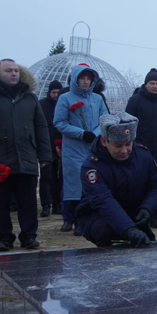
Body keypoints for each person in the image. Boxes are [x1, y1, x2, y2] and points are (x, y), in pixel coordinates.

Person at [0, 59, 52, 251]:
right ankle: (5, 237)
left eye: (16, 71)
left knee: (28, 202)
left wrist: (45, 154)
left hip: (26, 159)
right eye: (8, 71)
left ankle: (29, 236)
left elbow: (40, 126)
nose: (14, 74)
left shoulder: (29, 98)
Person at [75, 113, 157, 247]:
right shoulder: (92, 166)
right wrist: (128, 229)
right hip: (97, 215)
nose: (124, 150)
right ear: (104, 141)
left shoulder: (143, 156)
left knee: (146, 243)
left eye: (128, 144)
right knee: (108, 233)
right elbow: (103, 201)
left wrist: (147, 208)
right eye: (118, 145)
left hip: (132, 213)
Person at [54, 64, 109, 234]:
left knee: (91, 182)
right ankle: (68, 217)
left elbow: (105, 118)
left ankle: (84, 220)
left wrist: (95, 133)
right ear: (75, 79)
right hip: (73, 148)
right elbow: (59, 122)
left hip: (93, 147)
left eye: (88, 79)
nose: (85, 82)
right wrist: (81, 133)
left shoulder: (97, 98)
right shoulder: (65, 98)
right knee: (73, 184)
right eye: (82, 78)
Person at [125, 68, 157, 229]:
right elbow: (127, 124)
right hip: (139, 150)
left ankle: (154, 215)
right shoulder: (135, 100)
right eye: (151, 83)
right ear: (145, 84)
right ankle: (137, 214)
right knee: (138, 183)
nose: (154, 86)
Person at [37, 80, 64, 217]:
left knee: (58, 177)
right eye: (53, 92)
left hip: (60, 146)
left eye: (58, 92)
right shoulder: (42, 105)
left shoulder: (64, 104)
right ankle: (45, 205)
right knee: (46, 177)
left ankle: (57, 204)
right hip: (46, 147)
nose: (56, 95)